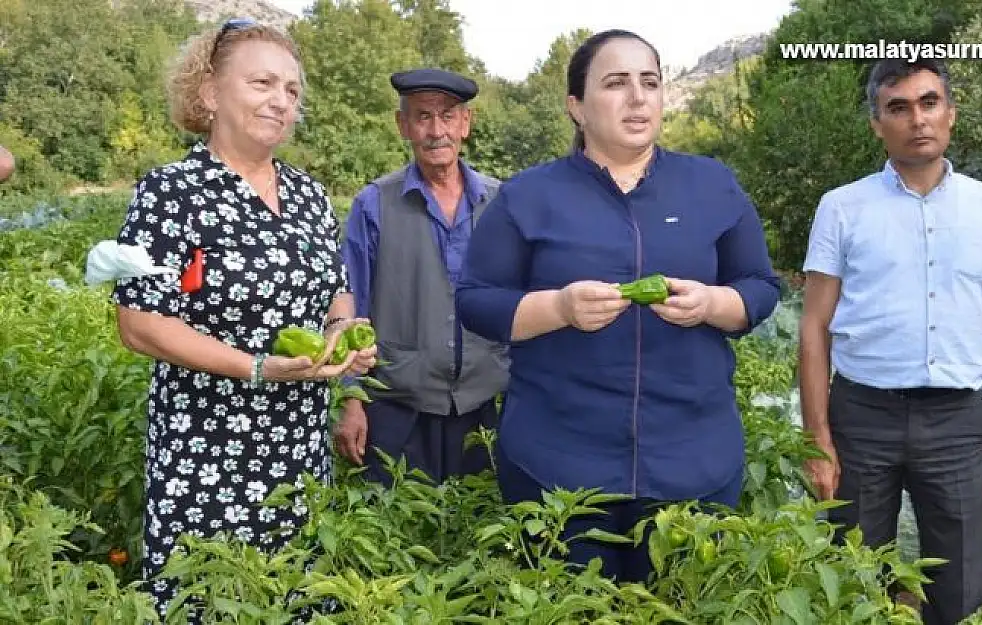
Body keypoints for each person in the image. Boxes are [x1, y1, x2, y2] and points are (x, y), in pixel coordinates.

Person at [455, 29, 781, 583]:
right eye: (616, 83)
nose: (637, 97)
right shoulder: (529, 196)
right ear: (576, 106)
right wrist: (558, 308)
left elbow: (760, 287)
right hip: (559, 471)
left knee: (682, 604)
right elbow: (476, 302)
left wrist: (712, 302)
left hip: (693, 464)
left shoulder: (711, 185)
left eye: (649, 82)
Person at [107, 18, 376, 620]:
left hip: (298, 454)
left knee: (292, 598)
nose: (281, 101)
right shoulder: (171, 193)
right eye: (262, 83)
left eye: (291, 91)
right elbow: (140, 323)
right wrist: (256, 368)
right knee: (209, 596)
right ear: (209, 93)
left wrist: (343, 337)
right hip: (206, 457)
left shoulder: (307, 195)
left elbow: (337, 292)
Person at [798, 58, 982, 625]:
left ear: (950, 113)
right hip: (862, 417)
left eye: (929, 103)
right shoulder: (842, 207)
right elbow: (814, 328)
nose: (916, 119)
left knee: (960, 587)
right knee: (851, 583)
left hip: (954, 422)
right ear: (877, 123)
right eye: (898, 107)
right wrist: (818, 439)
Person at [333, 68, 509, 485]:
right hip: (397, 410)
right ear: (403, 125)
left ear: (466, 123)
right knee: (395, 538)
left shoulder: (501, 203)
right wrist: (351, 399)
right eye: (422, 116)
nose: (436, 131)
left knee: (480, 534)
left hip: (485, 408)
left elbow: (521, 301)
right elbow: (348, 304)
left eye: (448, 116)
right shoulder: (374, 204)